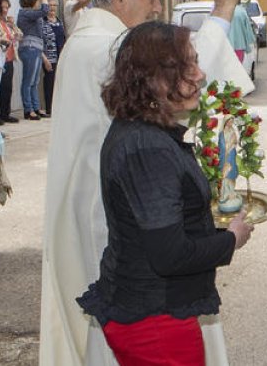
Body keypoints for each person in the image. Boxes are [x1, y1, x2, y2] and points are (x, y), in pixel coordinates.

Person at [39, 0, 251, 366]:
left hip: (104, 205)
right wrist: (223, 6)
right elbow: (186, 72)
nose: (158, 7)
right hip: (128, 229)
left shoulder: (84, 40)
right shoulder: (108, 47)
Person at [76, 22, 253, 365]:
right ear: (154, 78)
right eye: (187, 66)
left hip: (152, 313)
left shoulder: (145, 132)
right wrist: (231, 240)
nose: (200, 75)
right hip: (154, 322)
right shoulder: (147, 148)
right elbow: (169, 255)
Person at [15, 0, 50, 121]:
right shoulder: (25, 13)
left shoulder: (31, 14)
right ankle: (28, 109)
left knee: (35, 81)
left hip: (36, 48)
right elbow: (45, 11)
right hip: (29, 48)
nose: (40, 2)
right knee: (28, 80)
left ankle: (35, 107)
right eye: (38, 0)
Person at [0, 0, 21, 124]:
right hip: (0, 58)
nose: (5, 10)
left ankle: (6, 113)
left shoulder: (7, 23)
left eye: (7, 7)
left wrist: (13, 25)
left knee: (7, 87)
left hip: (10, 57)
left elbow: (20, 36)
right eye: (3, 7)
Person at [41, 0, 65, 117]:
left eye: (55, 5)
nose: (52, 8)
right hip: (49, 57)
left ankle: (58, 108)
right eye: (50, 5)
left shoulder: (59, 21)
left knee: (59, 83)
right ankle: (49, 109)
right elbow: (40, 41)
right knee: (49, 83)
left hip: (60, 56)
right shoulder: (42, 22)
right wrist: (44, 58)